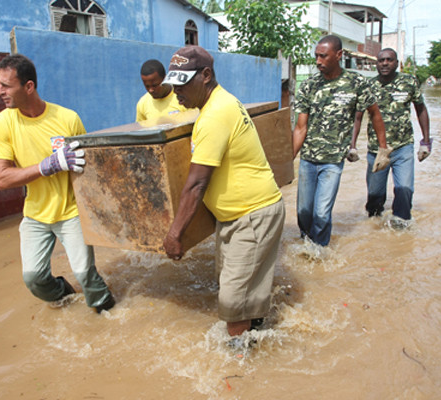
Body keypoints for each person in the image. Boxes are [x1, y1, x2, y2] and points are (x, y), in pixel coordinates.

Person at [161, 46, 285, 339]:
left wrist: (174, 235)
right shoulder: (219, 103)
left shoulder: (215, 114)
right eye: (174, 83)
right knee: (238, 293)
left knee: (233, 302)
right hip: (237, 217)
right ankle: (253, 338)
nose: (176, 90)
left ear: (205, 75)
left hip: (252, 215)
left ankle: (239, 372)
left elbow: (195, 185)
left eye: (183, 82)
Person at [0, 54, 115, 313]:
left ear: (29, 86)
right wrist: (47, 166)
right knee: (33, 278)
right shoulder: (1, 123)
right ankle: (63, 294)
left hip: (70, 212)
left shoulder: (67, 119)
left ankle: (108, 314)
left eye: (6, 85)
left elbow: (88, 170)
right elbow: (0, 178)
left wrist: (98, 212)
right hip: (35, 214)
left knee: (85, 274)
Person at [292, 35, 390, 247]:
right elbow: (301, 127)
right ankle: (305, 243)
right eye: (316, 56)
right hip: (308, 159)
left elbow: (374, 114)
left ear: (338, 55)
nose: (318, 61)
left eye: (323, 56)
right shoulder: (309, 86)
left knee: (321, 212)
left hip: (333, 161)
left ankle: (319, 252)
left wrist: (383, 148)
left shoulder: (356, 83)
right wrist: (286, 160)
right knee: (304, 211)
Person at [350, 48, 432, 227]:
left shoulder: (409, 82)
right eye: (381, 60)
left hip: (403, 147)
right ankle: (373, 229)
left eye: (389, 60)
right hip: (376, 149)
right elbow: (358, 116)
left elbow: (421, 109)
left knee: (404, 190)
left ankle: (401, 228)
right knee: (374, 197)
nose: (385, 63)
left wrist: (426, 141)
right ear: (376, 63)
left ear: (396, 63)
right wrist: (352, 145)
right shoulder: (368, 86)